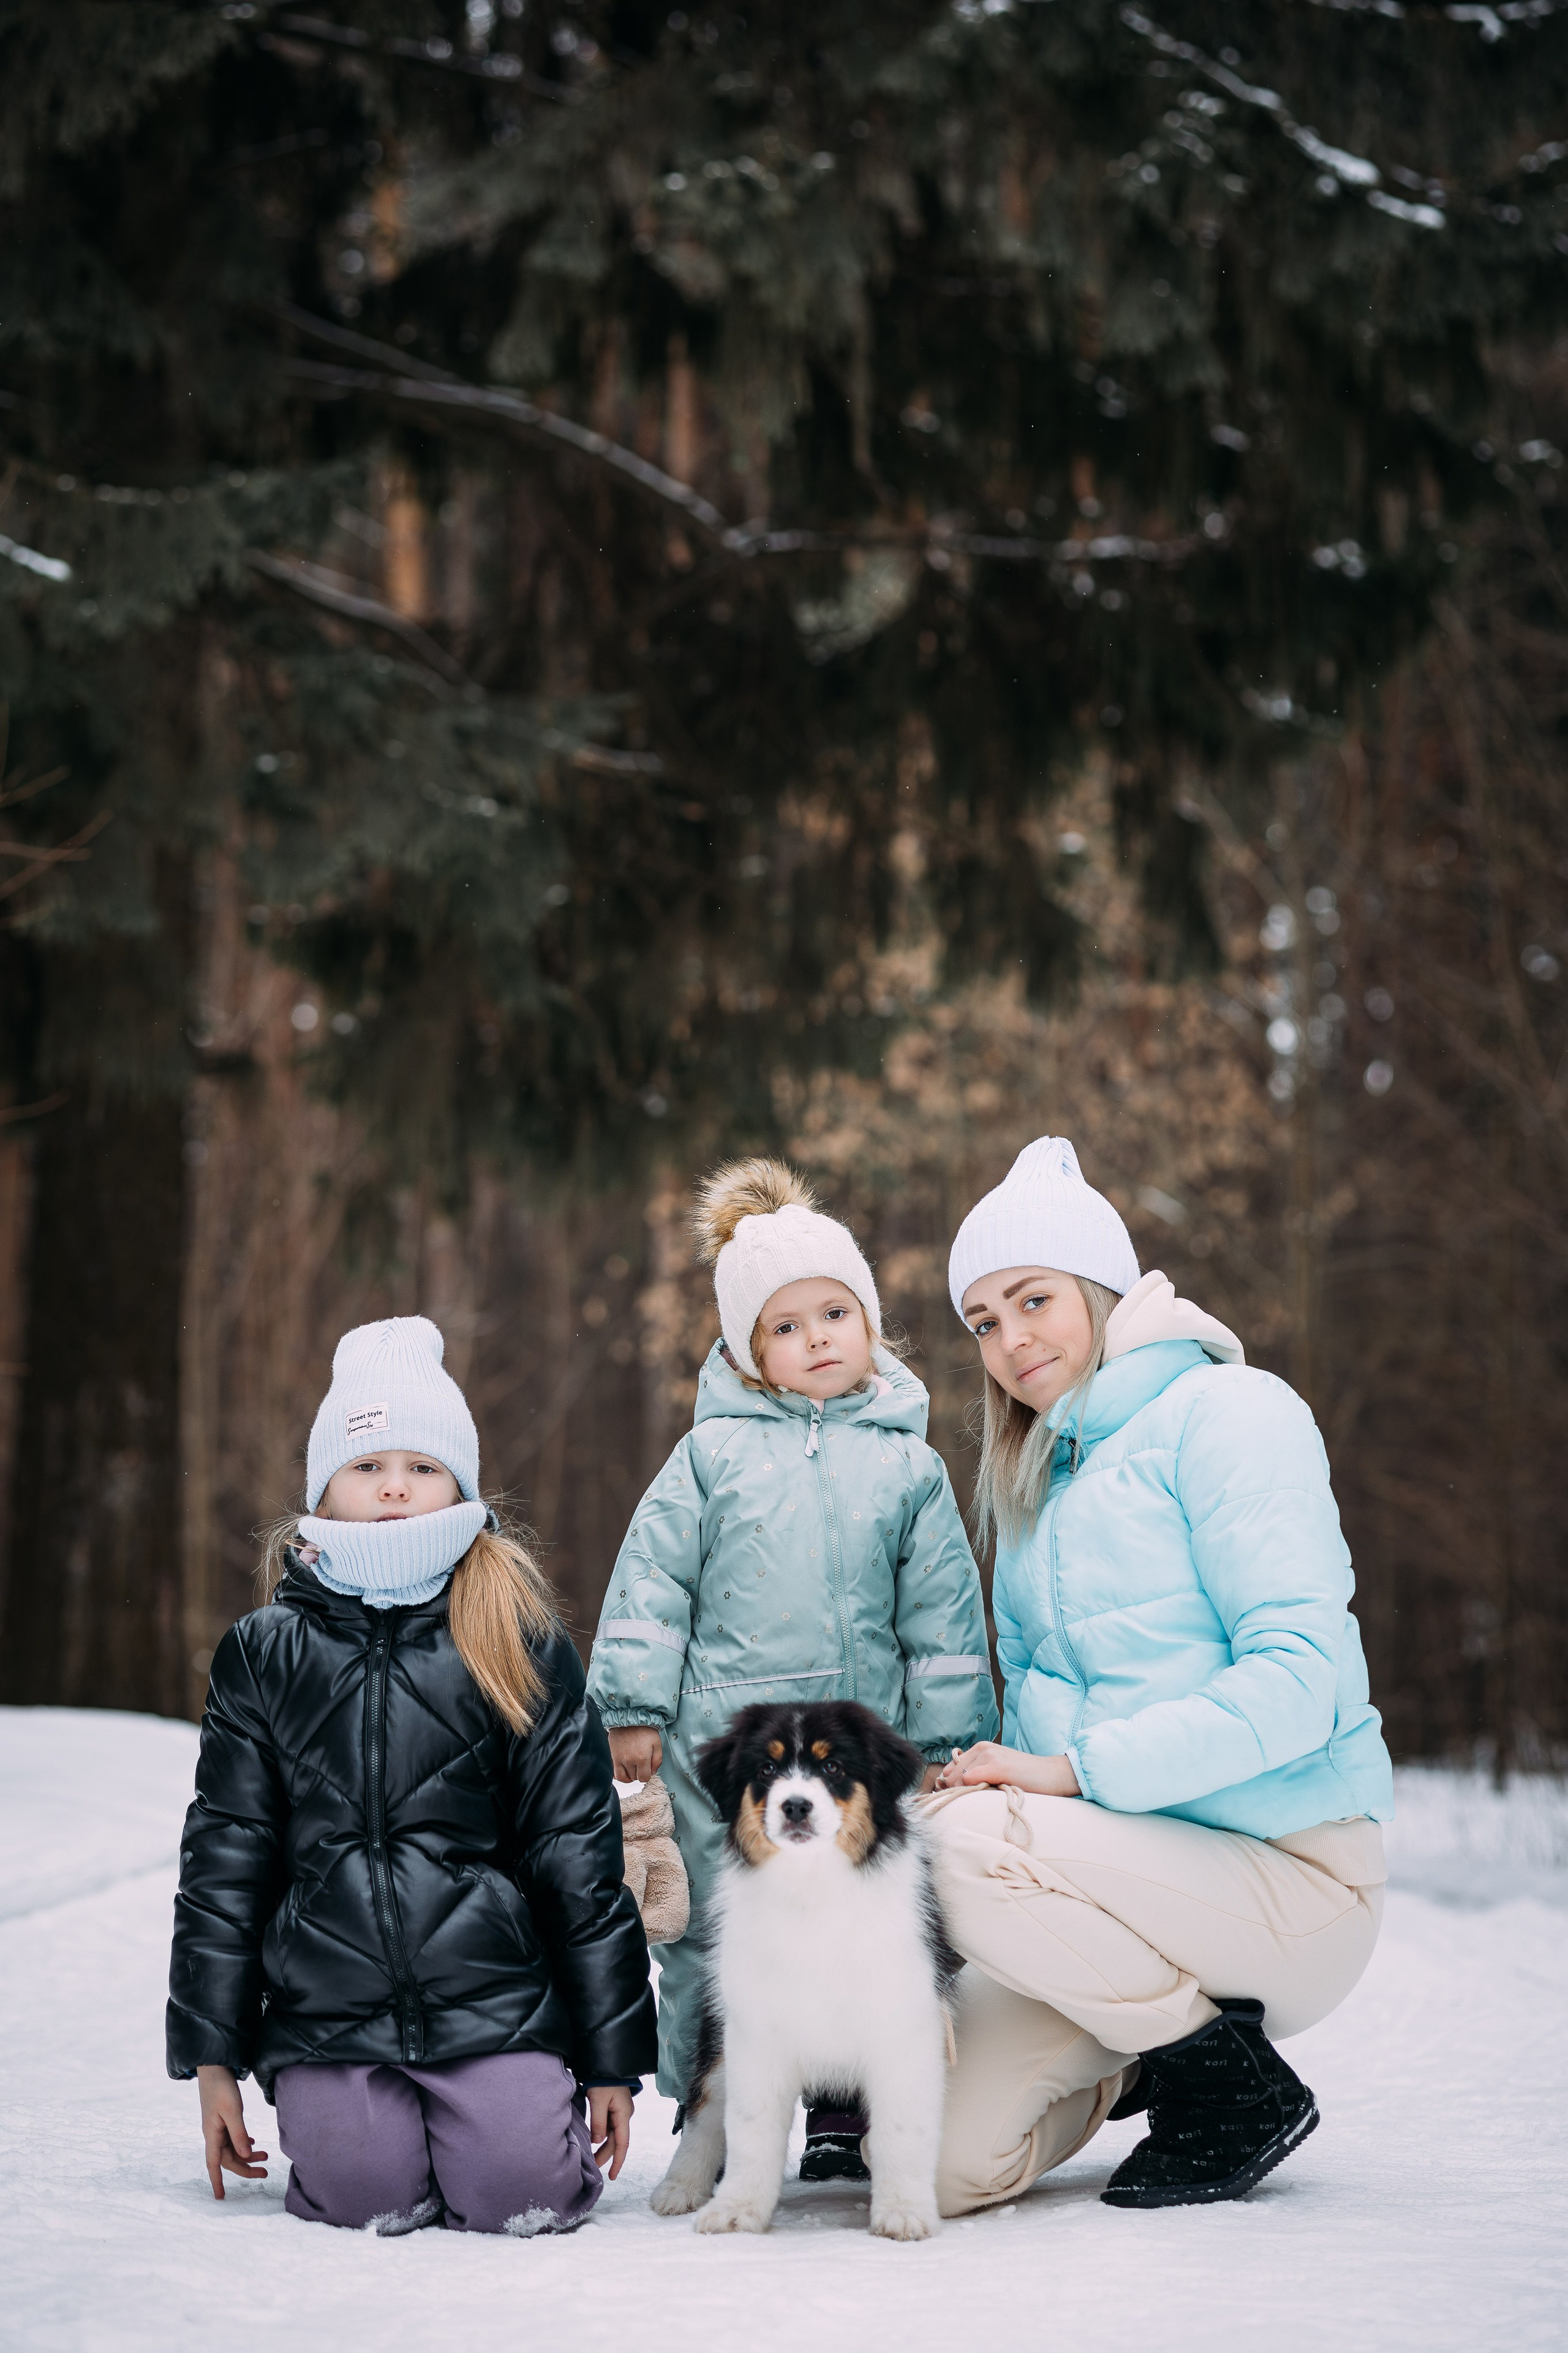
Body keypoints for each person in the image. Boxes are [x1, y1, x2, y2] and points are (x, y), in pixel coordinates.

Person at [925, 1138, 1393, 2215]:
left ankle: (1221, 2081)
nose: (1009, 1339)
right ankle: (1150, 2043)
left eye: (1032, 1297)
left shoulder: (1232, 1412)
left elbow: (1304, 1676)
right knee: (943, 2166)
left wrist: (1070, 1774)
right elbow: (1028, 1709)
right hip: (1127, 1894)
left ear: (1099, 1285)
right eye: (983, 1321)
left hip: (1294, 1874)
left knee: (956, 1847)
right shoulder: (1028, 1480)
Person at [167, 1315, 655, 2236]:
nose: (395, 1484)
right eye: (368, 1463)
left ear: (459, 1483)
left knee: (525, 2193)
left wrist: (606, 2060)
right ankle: (385, 2138)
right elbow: (227, 1857)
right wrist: (214, 2058)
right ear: (326, 1486)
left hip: (495, 1999)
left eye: (423, 1466)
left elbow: (578, 1860)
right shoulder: (265, 1652)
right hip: (327, 2007)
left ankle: (496, 2124)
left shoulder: (515, 1637)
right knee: (361, 2195)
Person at [589, 1159, 997, 2180]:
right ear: (745, 1350)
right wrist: (632, 1705)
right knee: (715, 1934)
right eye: (785, 1325)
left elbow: (941, 1612)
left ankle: (847, 2111)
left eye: (835, 1312)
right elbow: (653, 1579)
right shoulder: (709, 1455)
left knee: (870, 1923)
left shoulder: (909, 1465)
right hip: (724, 1750)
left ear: (870, 1324)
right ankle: (714, 2104)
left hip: (857, 1749)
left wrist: (946, 1740)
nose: (816, 1338)